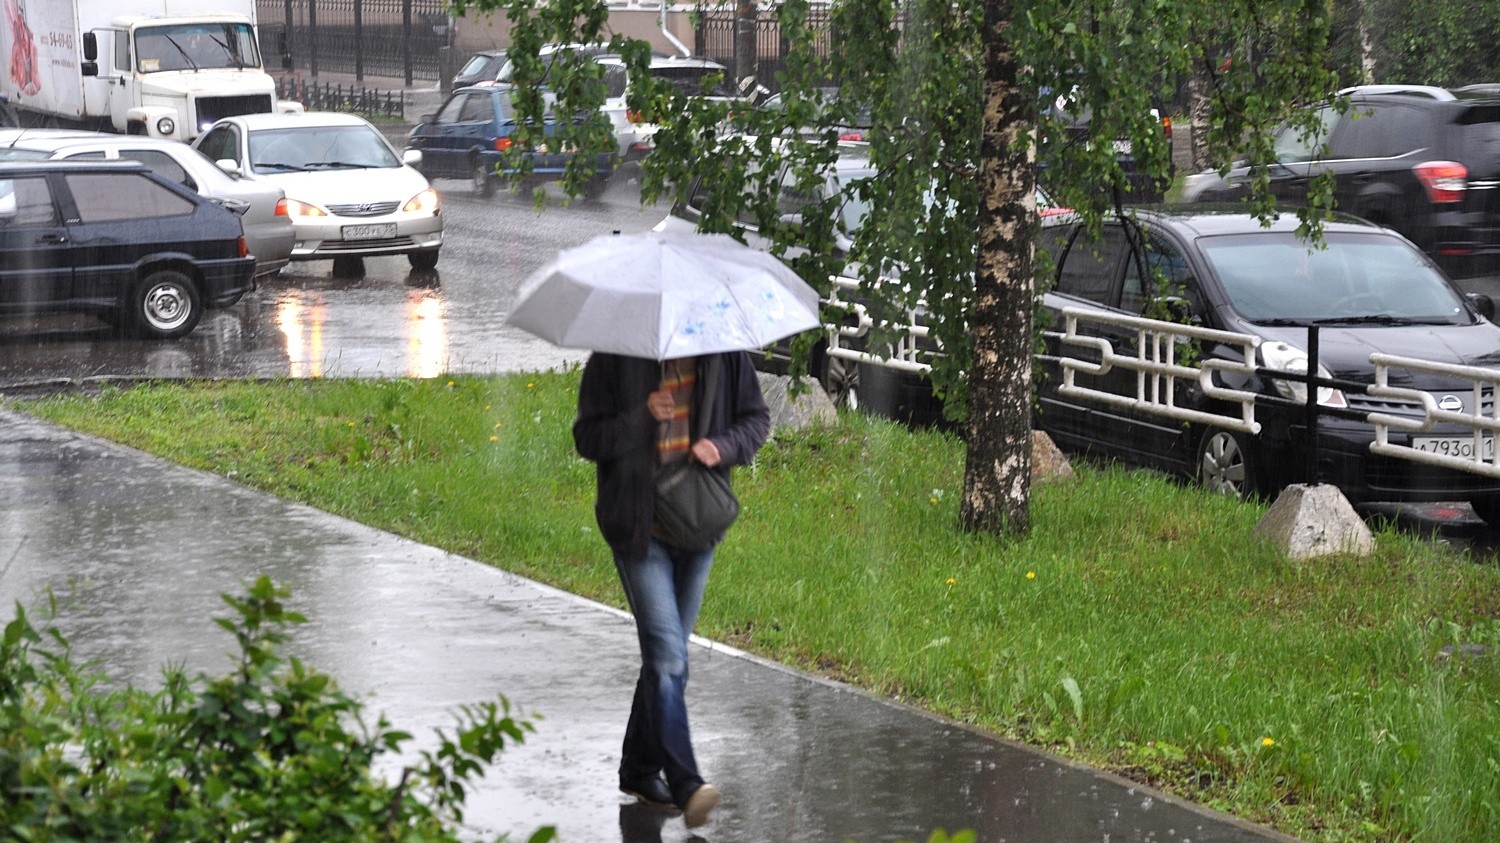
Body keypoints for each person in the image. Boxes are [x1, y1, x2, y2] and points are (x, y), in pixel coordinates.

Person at [573, 350, 770, 829]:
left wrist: (721, 447)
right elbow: (588, 438)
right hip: (640, 533)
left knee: (667, 660)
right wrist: (643, 416)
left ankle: (639, 769)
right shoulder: (615, 358)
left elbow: (756, 420)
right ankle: (687, 784)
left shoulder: (725, 358)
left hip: (699, 527)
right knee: (667, 658)